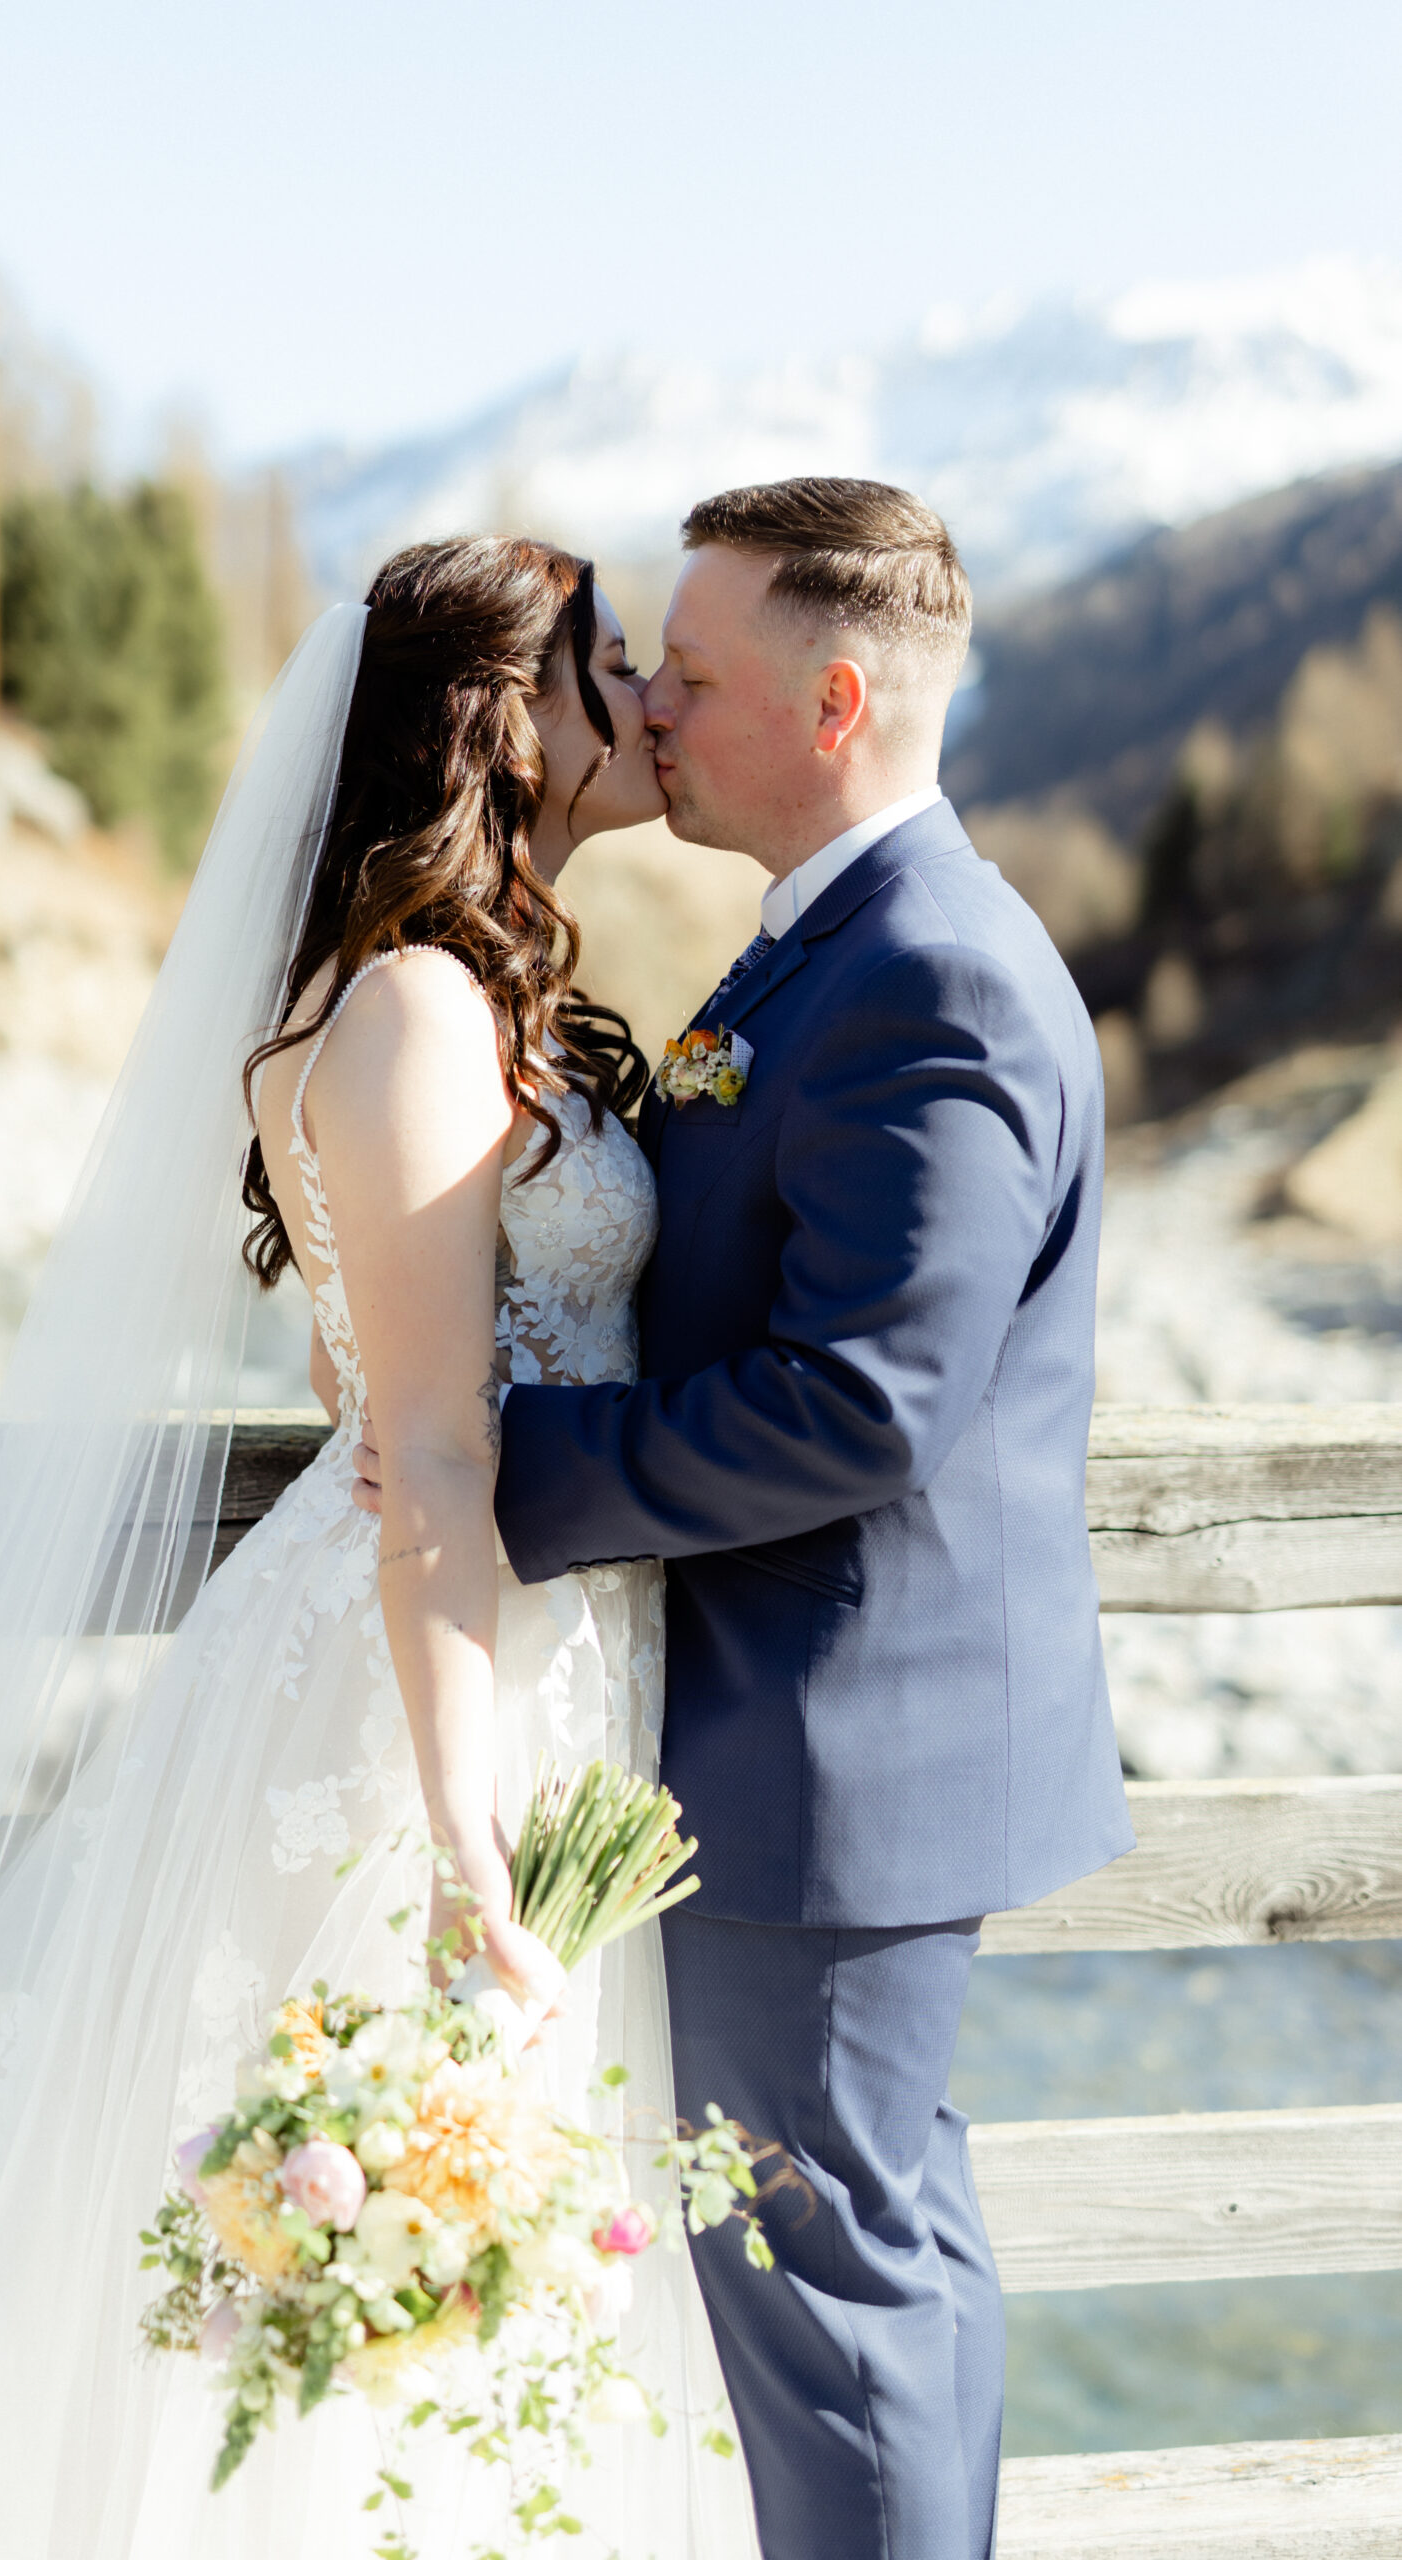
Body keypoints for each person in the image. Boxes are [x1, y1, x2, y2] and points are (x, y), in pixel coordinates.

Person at [0, 541, 761, 2557]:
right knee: (365, 2230)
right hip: (425, 1700)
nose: (641, 701)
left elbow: (361, 1350)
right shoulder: (416, 1008)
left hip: (527, 1647)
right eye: (607, 664)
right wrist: (466, 1840)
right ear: (503, 722)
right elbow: (421, 1443)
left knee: (446, 2236)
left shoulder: (465, 992)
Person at [358, 477, 1136, 2560]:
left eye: (689, 676)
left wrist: (500, 1465)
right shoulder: (825, 945)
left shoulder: (930, 975)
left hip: (836, 1755)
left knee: (832, 2299)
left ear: (834, 701)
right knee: (873, 2258)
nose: (651, 709)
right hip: (799, 1737)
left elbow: (862, 1401)